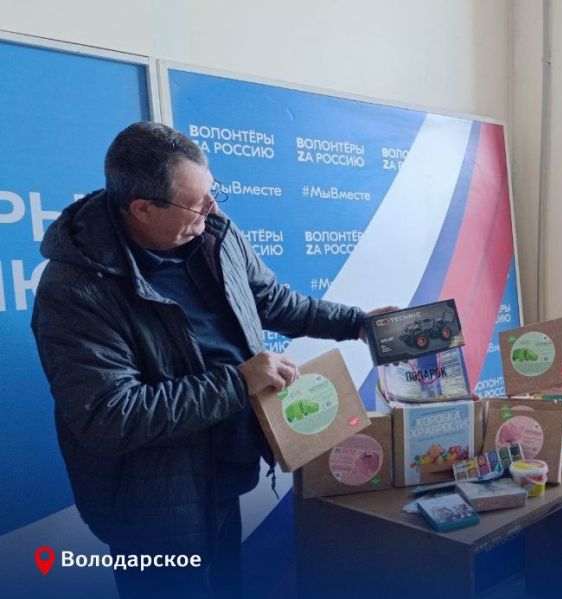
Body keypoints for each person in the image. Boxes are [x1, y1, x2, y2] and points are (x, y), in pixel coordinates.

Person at [31, 122, 395, 598]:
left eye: (212, 193)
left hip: (223, 475)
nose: (213, 209)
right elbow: (110, 416)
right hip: (152, 509)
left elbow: (272, 300)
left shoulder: (213, 233)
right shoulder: (75, 289)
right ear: (142, 208)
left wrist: (358, 323)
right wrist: (238, 382)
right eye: (195, 203)